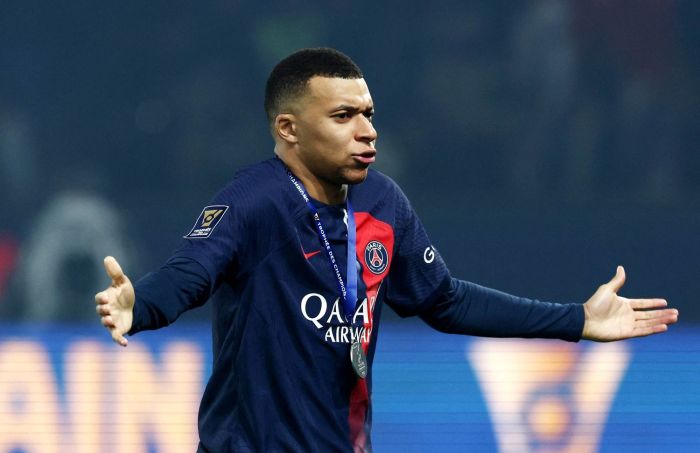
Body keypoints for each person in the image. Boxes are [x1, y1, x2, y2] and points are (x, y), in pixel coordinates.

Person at [94, 48, 678, 453]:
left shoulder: (382, 202)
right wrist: (139, 306)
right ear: (289, 128)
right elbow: (190, 270)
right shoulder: (253, 201)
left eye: (368, 114)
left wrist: (576, 320)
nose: (367, 131)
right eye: (343, 116)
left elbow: (445, 301)